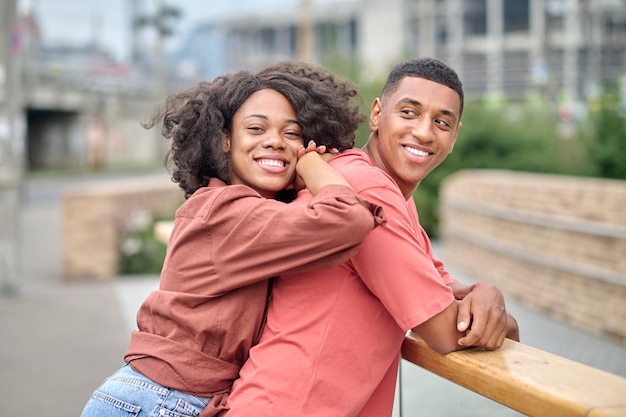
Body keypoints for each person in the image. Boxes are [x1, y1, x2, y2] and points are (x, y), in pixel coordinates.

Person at [80, 63, 386, 417]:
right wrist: (316, 167)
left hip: (161, 398)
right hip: (157, 401)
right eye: (256, 128)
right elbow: (348, 219)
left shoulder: (242, 213)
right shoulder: (226, 212)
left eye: (293, 134)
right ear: (224, 139)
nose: (275, 141)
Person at [224, 58, 520, 417]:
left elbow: (442, 290)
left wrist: (487, 293)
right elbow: (445, 330)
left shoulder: (386, 193)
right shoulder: (365, 188)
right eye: (409, 112)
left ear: (454, 136)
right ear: (377, 115)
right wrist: (502, 315)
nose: (425, 132)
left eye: (441, 122)